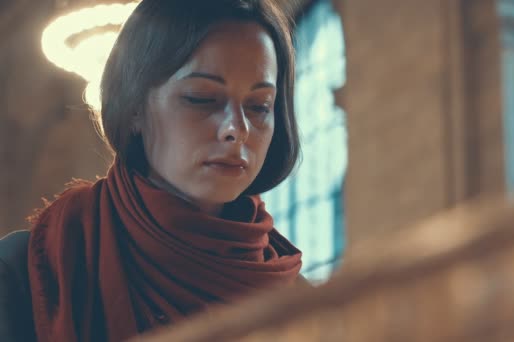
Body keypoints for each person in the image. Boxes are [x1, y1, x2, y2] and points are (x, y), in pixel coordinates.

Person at [0, 0, 305, 340]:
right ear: (134, 109)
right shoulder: (30, 272)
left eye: (259, 106)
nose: (236, 128)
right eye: (202, 98)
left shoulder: (298, 297)